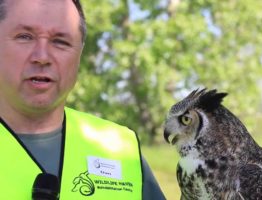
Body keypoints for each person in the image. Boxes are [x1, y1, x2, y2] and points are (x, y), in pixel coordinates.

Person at [0, 0, 166, 199]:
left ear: (80, 53)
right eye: (25, 37)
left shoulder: (120, 148)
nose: (42, 56)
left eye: (60, 41)